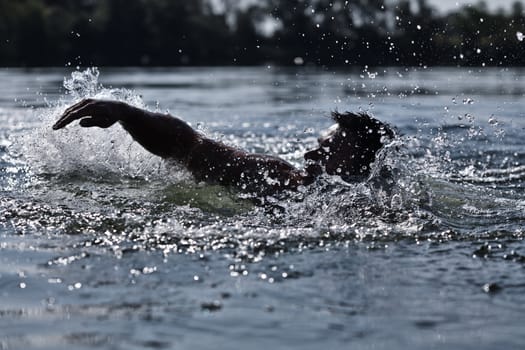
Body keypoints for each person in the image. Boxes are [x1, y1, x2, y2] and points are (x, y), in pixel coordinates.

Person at [52, 99, 395, 195]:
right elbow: (190, 146)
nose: (308, 155)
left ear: (364, 164)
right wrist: (126, 113)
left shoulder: (381, 213)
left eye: (327, 150)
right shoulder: (276, 176)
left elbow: (189, 146)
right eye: (316, 146)